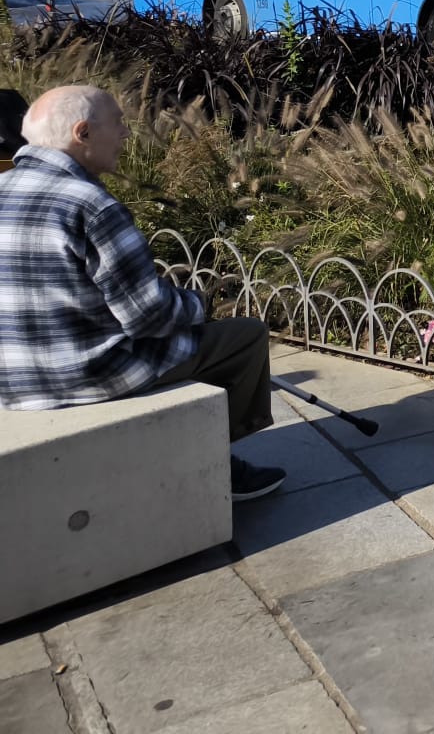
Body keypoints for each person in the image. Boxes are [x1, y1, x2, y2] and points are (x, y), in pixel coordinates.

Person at [0, 84, 286, 500]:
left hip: (12, 382)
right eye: (117, 123)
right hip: (89, 376)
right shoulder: (90, 204)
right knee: (245, 336)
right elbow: (148, 316)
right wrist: (198, 304)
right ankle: (215, 466)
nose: (125, 134)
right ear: (82, 133)